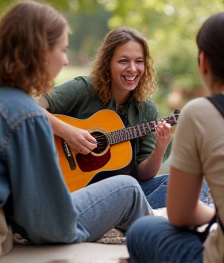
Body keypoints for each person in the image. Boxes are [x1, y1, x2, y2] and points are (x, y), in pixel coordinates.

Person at [0, 0, 151, 258]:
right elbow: (45, 223)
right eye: (62, 50)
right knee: (128, 188)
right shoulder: (26, 114)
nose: (65, 61)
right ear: (38, 52)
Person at [126, 8, 224, 263]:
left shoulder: (200, 111)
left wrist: (218, 214)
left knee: (142, 230)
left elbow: (181, 214)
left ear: (203, 62)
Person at [38, 26, 210, 209]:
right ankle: (131, 216)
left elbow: (143, 175)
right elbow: (29, 106)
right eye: (123, 61)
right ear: (107, 63)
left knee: (197, 183)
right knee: (135, 190)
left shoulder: (145, 109)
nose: (132, 69)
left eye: (139, 61)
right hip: (75, 190)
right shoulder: (84, 89)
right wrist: (69, 133)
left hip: (123, 195)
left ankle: (124, 215)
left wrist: (160, 148)